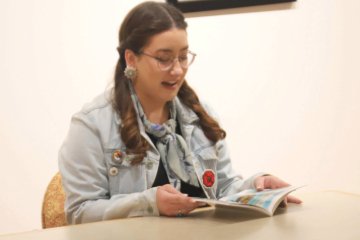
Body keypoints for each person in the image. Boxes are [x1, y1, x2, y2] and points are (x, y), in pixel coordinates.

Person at [59, 1, 301, 225]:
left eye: (183, 57)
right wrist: (148, 203)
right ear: (131, 59)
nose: (177, 70)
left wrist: (257, 186)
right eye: (164, 59)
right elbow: (79, 213)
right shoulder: (91, 125)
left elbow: (224, 188)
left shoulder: (200, 114)